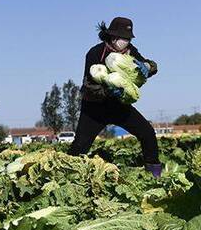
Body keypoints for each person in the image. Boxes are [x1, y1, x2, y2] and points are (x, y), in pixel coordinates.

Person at [68, 17, 161, 176]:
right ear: (112, 36)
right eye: (123, 38)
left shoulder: (130, 50)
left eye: (128, 38)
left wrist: (148, 66)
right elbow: (88, 86)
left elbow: (146, 64)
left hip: (119, 106)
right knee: (79, 147)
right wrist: (108, 90)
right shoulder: (95, 53)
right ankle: (65, 175)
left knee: (147, 133)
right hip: (94, 108)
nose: (125, 42)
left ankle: (155, 174)